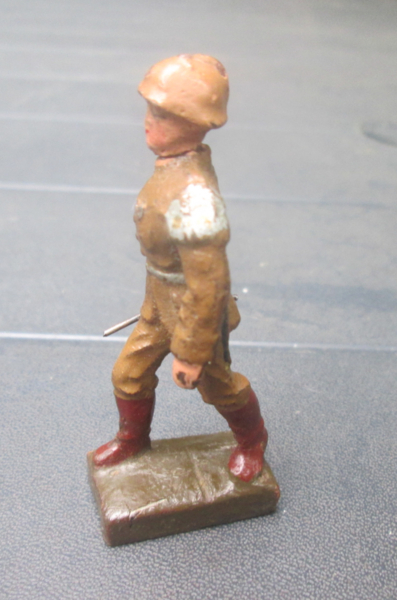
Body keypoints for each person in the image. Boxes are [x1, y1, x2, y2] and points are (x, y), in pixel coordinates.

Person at [93, 54, 269, 482]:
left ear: (194, 124)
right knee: (128, 373)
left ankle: (252, 441)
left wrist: (190, 352)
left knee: (216, 386)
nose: (147, 122)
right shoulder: (172, 168)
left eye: (162, 115)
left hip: (193, 311)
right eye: (150, 110)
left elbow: (209, 283)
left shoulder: (195, 196)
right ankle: (133, 439)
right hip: (159, 301)